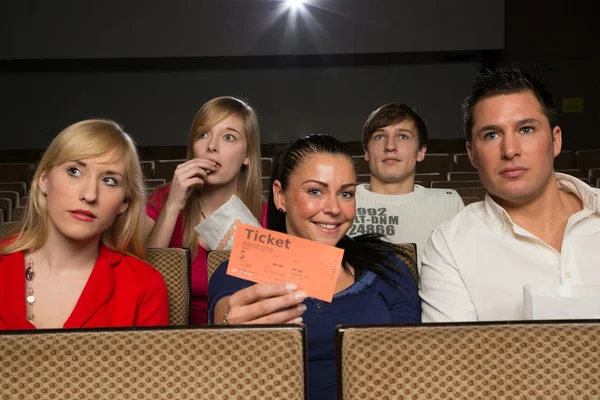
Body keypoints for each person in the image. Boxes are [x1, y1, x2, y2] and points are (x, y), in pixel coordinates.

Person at [208, 134, 421, 400]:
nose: (334, 208)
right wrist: (227, 328)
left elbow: (411, 368)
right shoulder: (238, 267)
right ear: (279, 196)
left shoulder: (390, 270)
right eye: (315, 191)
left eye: (346, 194)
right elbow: (225, 313)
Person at [420, 68, 600, 322]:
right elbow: (455, 360)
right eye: (491, 135)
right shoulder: (450, 247)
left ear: (555, 140)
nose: (510, 150)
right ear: (471, 154)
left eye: (526, 129)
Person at [0, 119, 169, 330]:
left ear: (124, 203)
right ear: (44, 179)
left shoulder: (144, 285)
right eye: (74, 171)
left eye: (109, 180)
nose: (89, 195)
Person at [144, 96, 265, 325]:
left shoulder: (269, 216)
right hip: (171, 344)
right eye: (203, 134)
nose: (212, 146)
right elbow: (142, 282)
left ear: (247, 155)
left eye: (229, 137)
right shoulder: (162, 201)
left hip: (244, 344)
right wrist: (173, 206)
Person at [350, 103, 464, 267]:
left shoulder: (449, 204)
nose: (390, 146)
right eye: (380, 136)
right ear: (366, 152)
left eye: (403, 136)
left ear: (421, 152)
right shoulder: (341, 203)